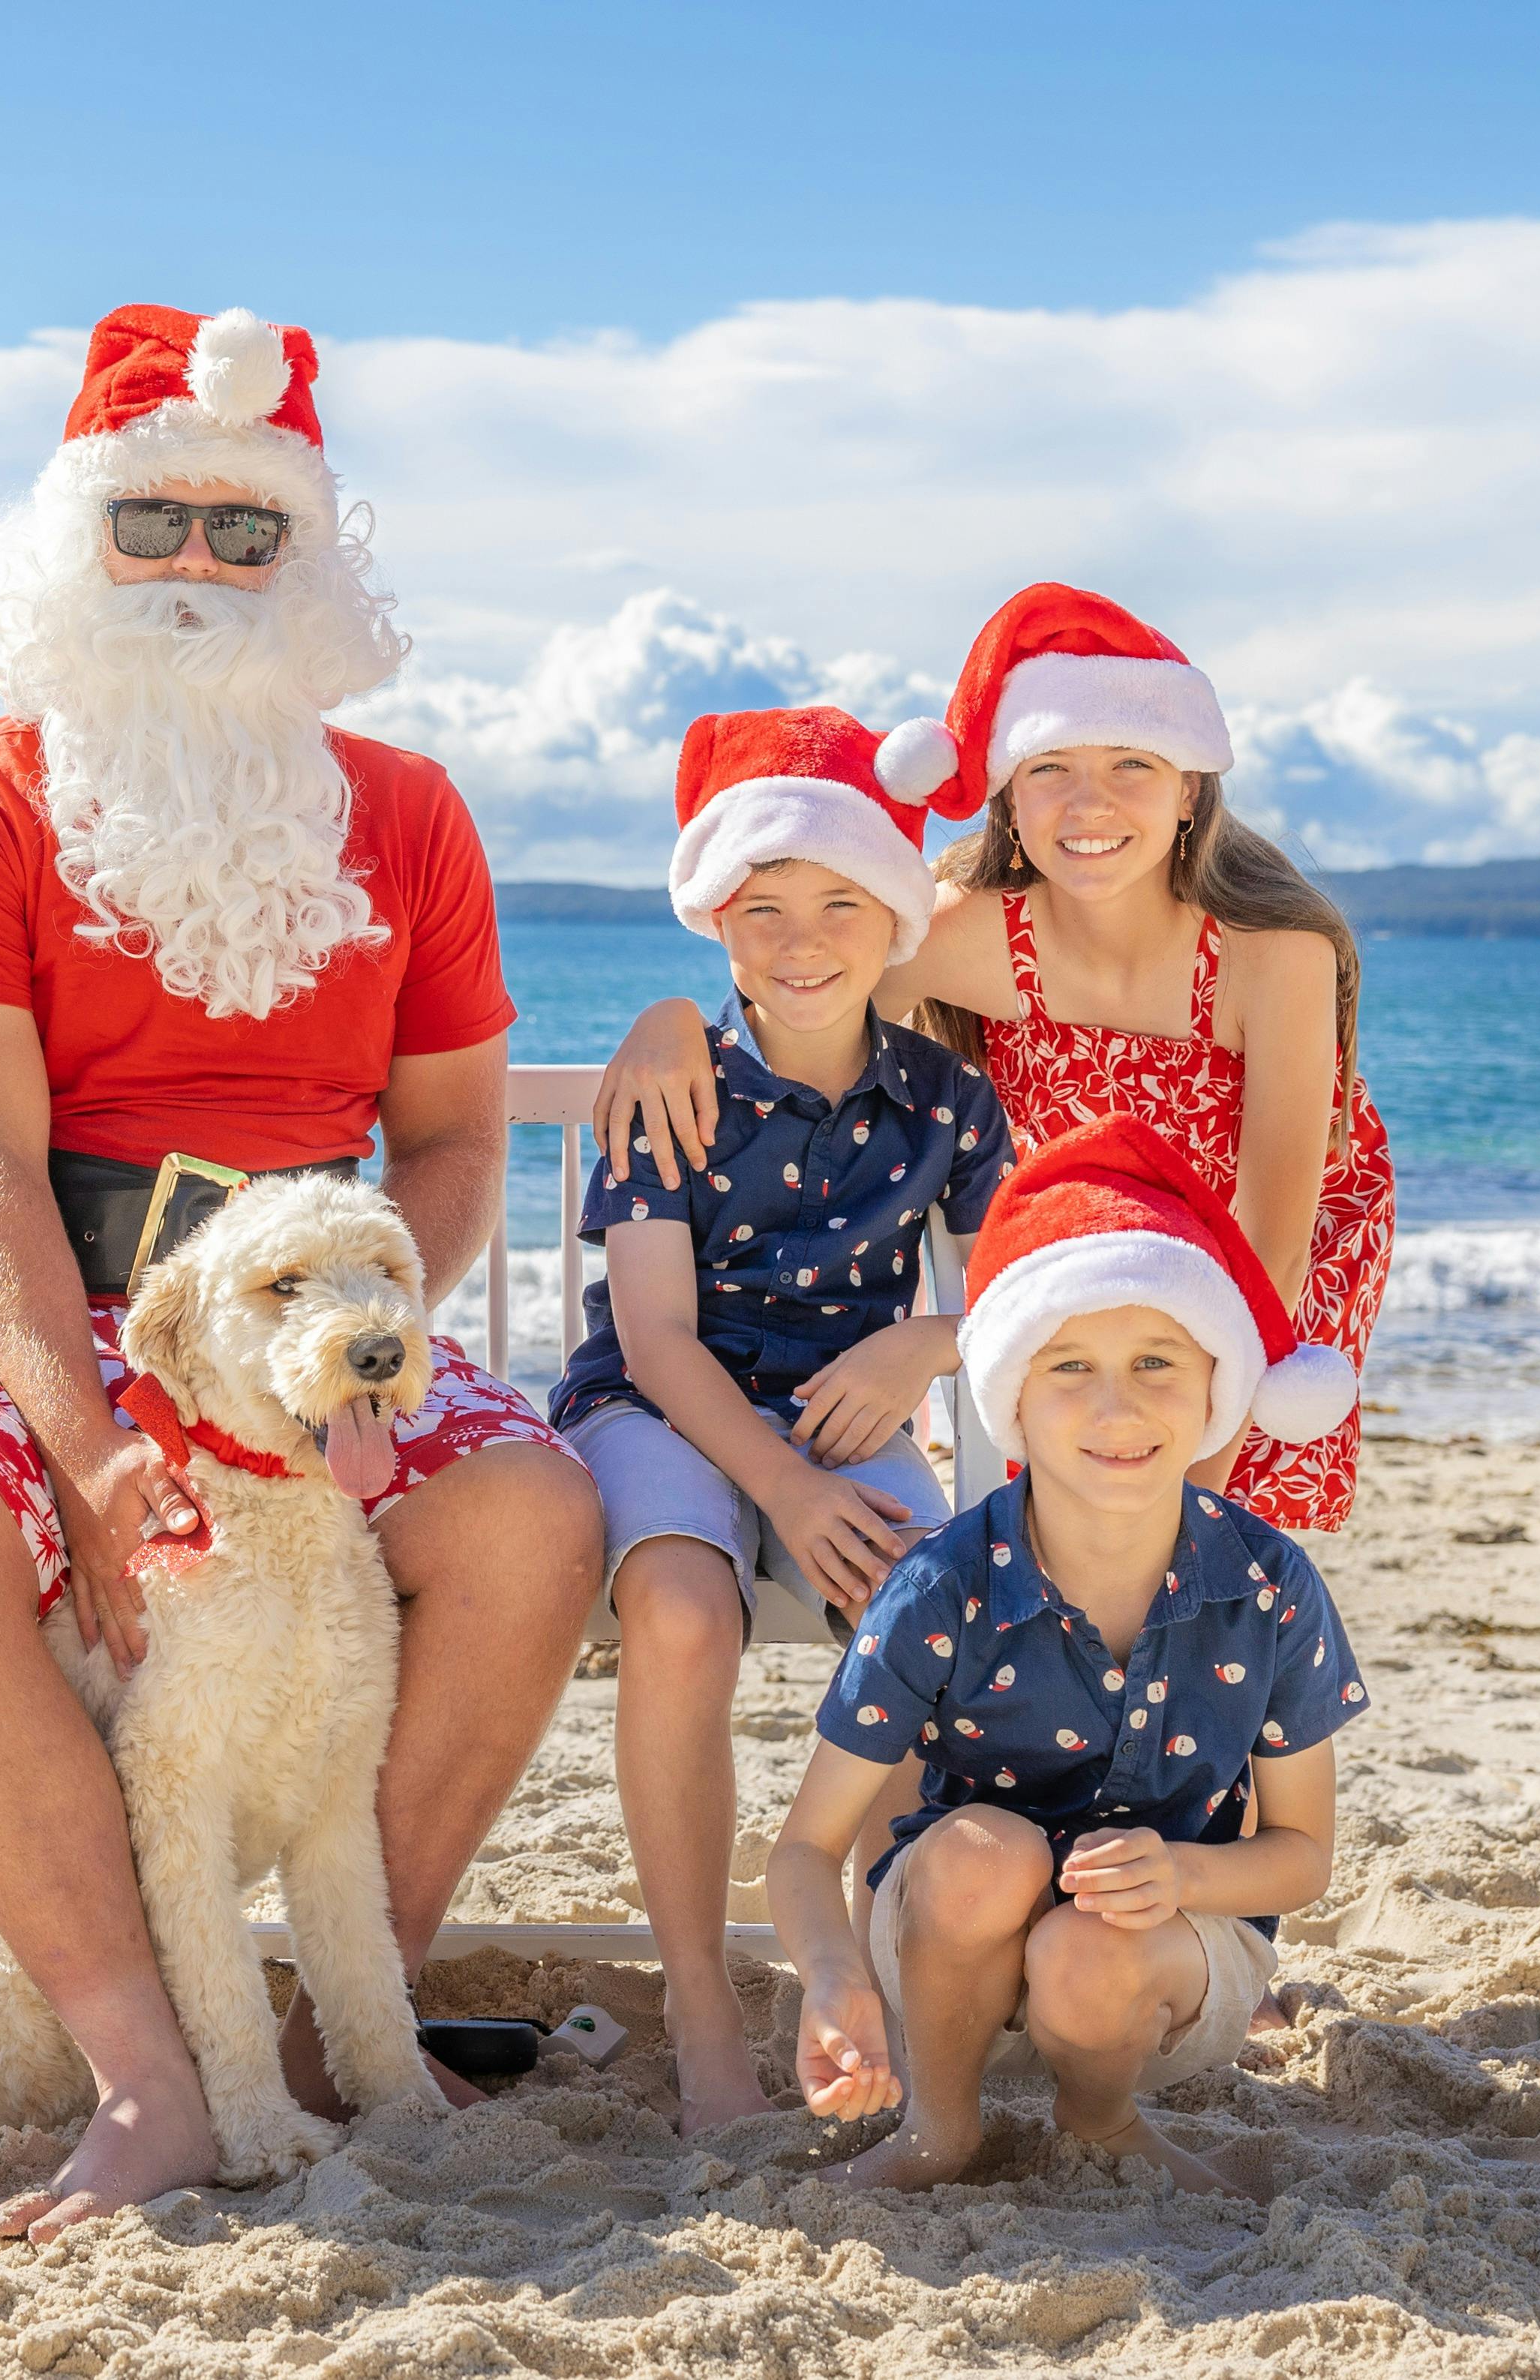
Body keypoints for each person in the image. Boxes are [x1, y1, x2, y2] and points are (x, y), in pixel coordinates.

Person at [0, 304, 602, 2241]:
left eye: (239, 533)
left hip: (313, 1294)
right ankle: (148, 2078)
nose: (188, 568)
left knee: (525, 1507)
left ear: (305, 560)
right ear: (69, 541)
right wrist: (89, 1445)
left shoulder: (407, 814)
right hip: (37, 1302)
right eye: (145, 522)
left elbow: (438, 1142)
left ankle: (347, 2016)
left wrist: (343, 1346)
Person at [593, 584, 1396, 1538]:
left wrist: (1195, 1491)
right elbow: (805, 1010)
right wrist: (674, 1018)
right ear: (1008, 791)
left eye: (1132, 763)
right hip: (1076, 1282)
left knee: (1202, 1561)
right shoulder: (963, 935)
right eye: (1049, 765)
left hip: (1264, 1276)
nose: (1088, 803)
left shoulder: (1273, 954)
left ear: (1189, 789)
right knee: (1066, 1543)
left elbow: (1273, 1243)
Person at [551, 704, 1009, 2133]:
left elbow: (1021, 1287)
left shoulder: (943, 1098)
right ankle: (698, 1997)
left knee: (924, 1607)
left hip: (839, 1408)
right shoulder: (669, 1084)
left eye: (837, 905)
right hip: (657, 1404)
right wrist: (787, 1497)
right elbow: (653, 1337)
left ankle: (879, 1971)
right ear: (714, 921)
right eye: (760, 910)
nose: (799, 940)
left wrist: (919, 1340)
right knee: (682, 1611)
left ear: (892, 922)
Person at [766, 1115, 1367, 2196]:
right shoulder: (943, 1585)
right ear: (1012, 1401)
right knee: (981, 1850)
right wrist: (830, 1976)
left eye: (1154, 1361)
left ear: (1211, 1387)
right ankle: (938, 2131)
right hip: (947, 1964)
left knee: (1085, 1946)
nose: (1115, 1405)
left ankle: (1101, 2122)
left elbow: (1302, 1854)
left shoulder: (1267, 1586)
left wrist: (1178, 1872)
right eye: (1068, 1367)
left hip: (1158, 1976)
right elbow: (804, 1849)